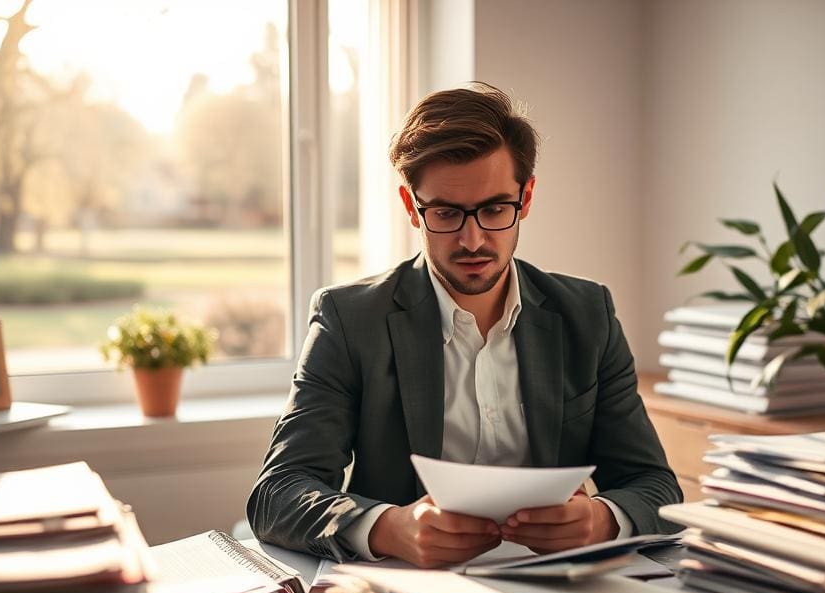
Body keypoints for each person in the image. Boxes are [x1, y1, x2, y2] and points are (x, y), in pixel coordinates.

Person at [247, 83, 682, 567]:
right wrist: (390, 528)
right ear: (412, 207)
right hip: (408, 591)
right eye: (447, 213)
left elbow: (658, 487)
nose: (472, 240)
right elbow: (278, 493)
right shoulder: (349, 319)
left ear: (527, 196)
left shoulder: (587, 314)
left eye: (495, 209)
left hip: (560, 592)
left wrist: (602, 518)